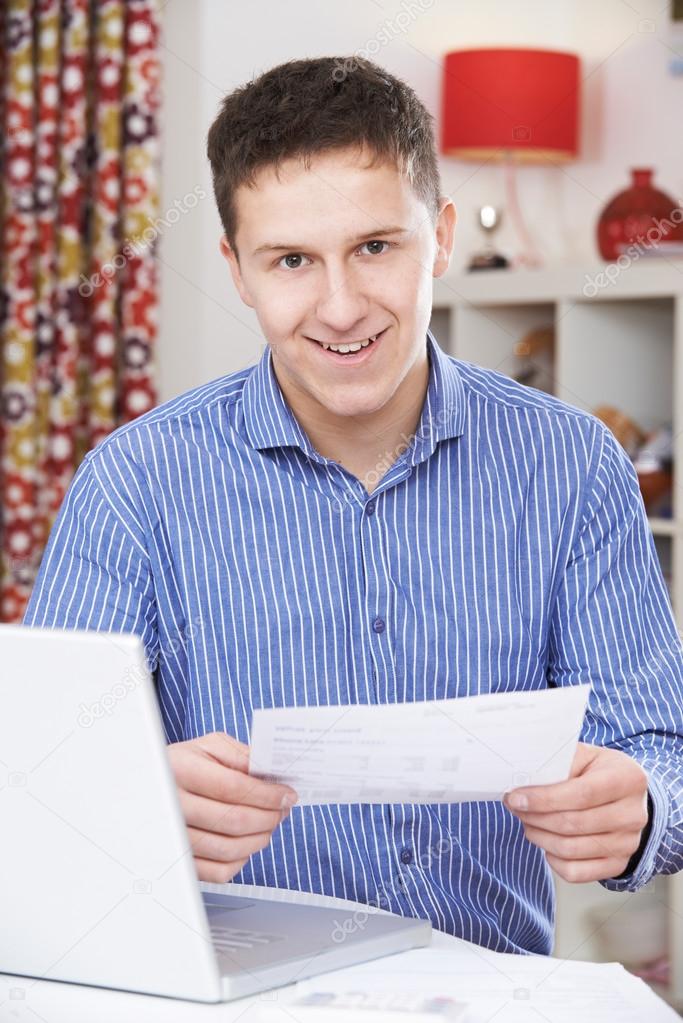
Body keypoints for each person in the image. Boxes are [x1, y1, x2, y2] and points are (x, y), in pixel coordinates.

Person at [23, 55, 683, 956]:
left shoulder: (572, 467)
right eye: (291, 259)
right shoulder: (133, 485)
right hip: (224, 1003)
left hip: (486, 997)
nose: (340, 308)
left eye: (376, 247)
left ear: (440, 237)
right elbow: (37, 789)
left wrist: (641, 806)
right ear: (238, 270)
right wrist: (132, 801)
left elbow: (660, 748)